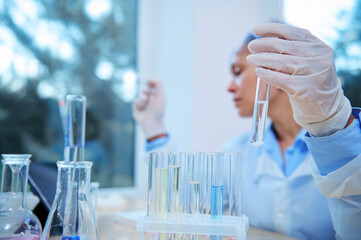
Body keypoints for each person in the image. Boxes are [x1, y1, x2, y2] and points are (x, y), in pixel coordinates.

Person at [133, 23, 361, 239]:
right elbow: (185, 208)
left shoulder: (341, 145)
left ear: (278, 68)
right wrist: (154, 128)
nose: (229, 86)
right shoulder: (238, 149)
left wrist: (331, 125)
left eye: (238, 71)